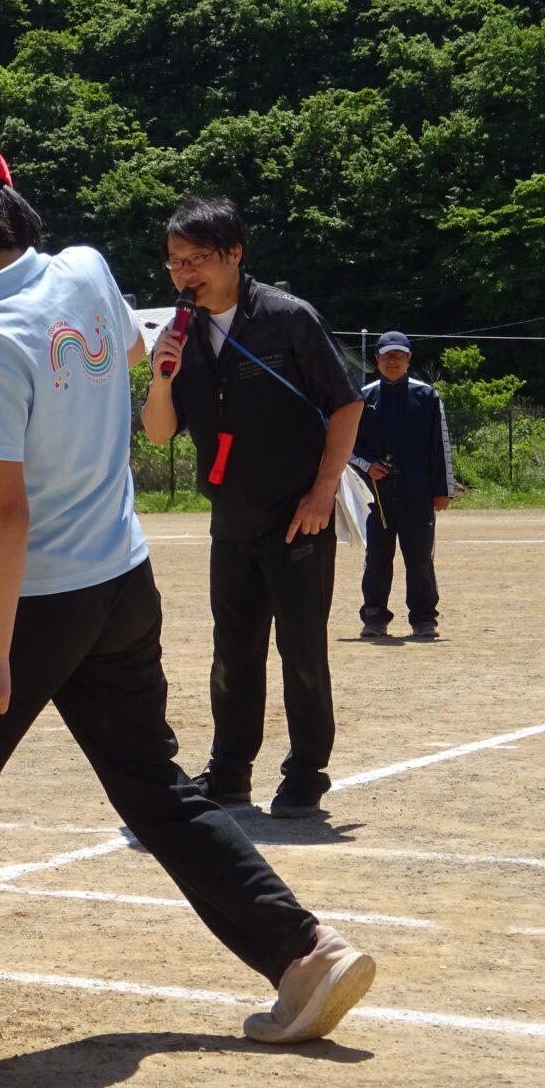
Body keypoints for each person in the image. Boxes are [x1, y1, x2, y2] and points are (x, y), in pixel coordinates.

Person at [0, 134, 373, 1047]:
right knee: (159, 791)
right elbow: (88, 367)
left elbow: (7, 514)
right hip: (122, 583)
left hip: (30, 607)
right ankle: (304, 953)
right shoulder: (88, 271)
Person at [140, 197, 363, 819]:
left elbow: (347, 403)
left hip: (299, 515)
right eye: (175, 262)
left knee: (301, 650)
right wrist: (162, 377)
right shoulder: (180, 335)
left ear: (235, 254)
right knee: (233, 653)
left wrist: (323, 491)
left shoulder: (288, 319)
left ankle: (305, 775)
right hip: (231, 520)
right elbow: (159, 433)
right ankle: (230, 772)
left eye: (198, 259)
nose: (185, 273)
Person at [353, 331, 453, 638]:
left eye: (398, 355)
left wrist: (443, 489)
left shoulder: (427, 396)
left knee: (420, 558)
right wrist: (368, 464)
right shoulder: (363, 396)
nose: (392, 361)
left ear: (409, 359)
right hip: (376, 496)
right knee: (377, 558)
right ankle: (374, 617)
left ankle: (424, 618)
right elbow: (348, 445)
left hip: (418, 492)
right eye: (386, 355)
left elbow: (440, 445)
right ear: (376, 360)